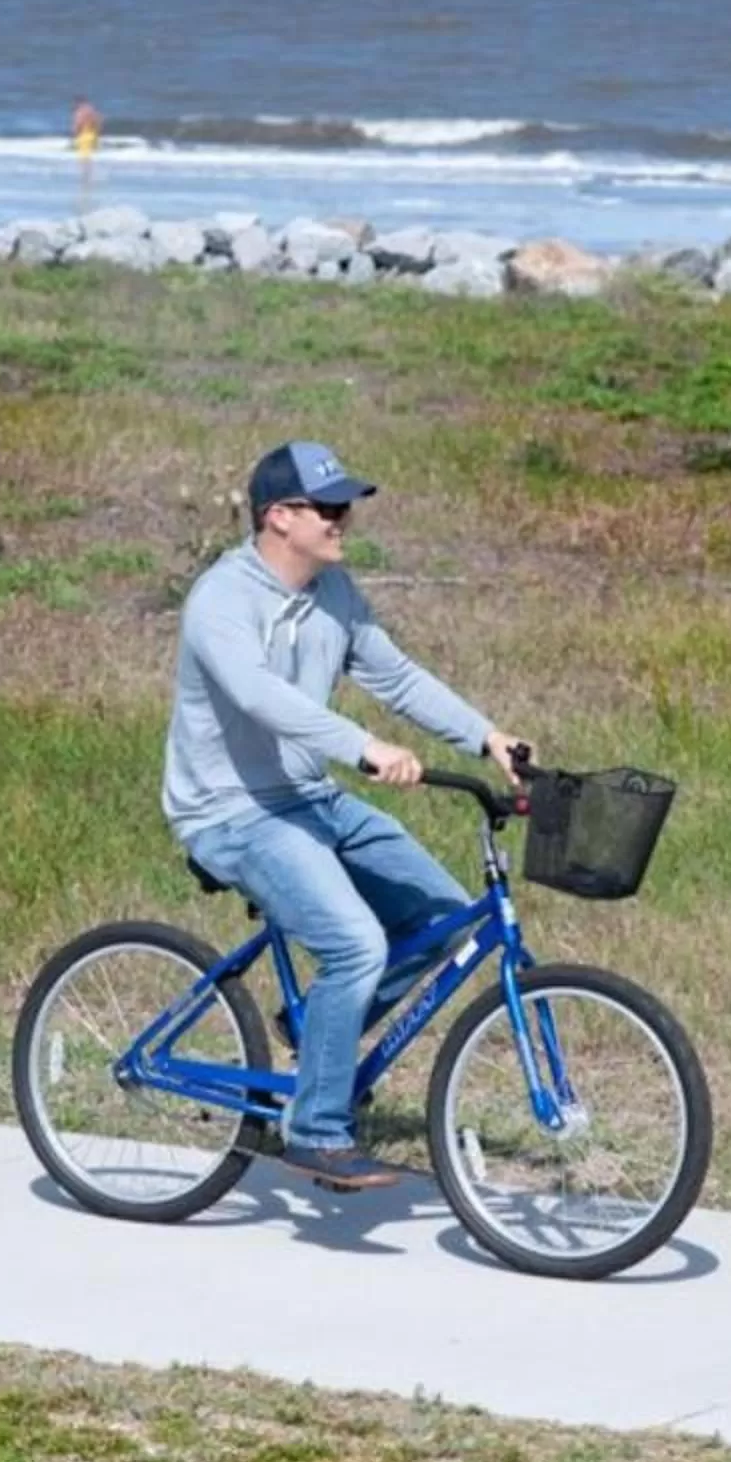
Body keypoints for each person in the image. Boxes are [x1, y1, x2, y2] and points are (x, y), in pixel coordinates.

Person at [163, 441, 528, 1191]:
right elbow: (263, 697)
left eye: (346, 505)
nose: (343, 520)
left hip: (309, 796)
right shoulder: (220, 603)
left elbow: (394, 675)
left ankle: (319, 1030)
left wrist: (487, 735)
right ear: (279, 518)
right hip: (231, 812)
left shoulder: (333, 592)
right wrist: (363, 748)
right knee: (357, 944)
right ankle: (316, 1130)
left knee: (447, 924)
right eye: (328, 508)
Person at [69, 95, 102, 204]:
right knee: (87, 157)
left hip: (84, 135)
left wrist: (74, 133)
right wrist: (96, 135)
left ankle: (86, 178)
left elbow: (77, 124)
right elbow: (98, 121)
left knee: (84, 157)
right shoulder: (92, 110)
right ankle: (89, 176)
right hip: (92, 134)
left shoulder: (80, 111)